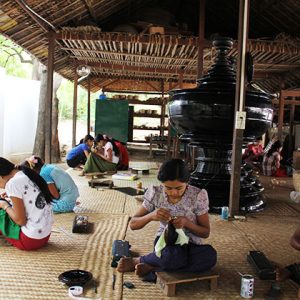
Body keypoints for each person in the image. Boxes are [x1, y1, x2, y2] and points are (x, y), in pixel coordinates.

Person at [117, 158, 217, 280]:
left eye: (179, 188)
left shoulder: (197, 195)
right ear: (161, 183)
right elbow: (133, 224)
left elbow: (205, 232)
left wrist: (187, 223)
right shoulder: (156, 193)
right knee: (172, 256)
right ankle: (160, 263)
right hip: (166, 244)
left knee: (209, 256)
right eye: (168, 188)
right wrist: (151, 216)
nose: (174, 192)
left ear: (187, 182)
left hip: (191, 245)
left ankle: (147, 264)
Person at [0, 157, 53, 250]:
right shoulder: (26, 173)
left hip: (29, 240)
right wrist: (11, 197)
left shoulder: (12, 184)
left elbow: (21, 221)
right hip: (44, 236)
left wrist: (5, 205)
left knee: (2, 211)